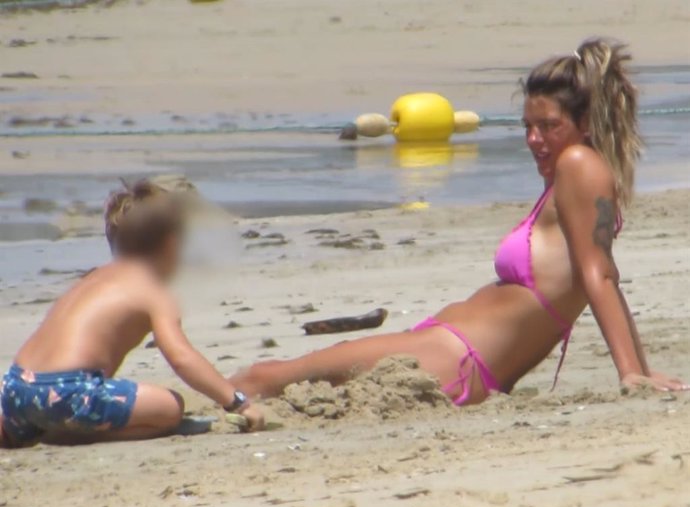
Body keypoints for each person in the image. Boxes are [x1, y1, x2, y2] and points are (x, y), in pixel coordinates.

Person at [229, 38, 688, 404]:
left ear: (584, 122)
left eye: (549, 125)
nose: (534, 139)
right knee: (273, 382)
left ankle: (178, 408)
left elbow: (600, 275)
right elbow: (602, 273)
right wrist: (640, 368)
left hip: (458, 358)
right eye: (527, 126)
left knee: (264, 377)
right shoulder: (574, 175)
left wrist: (631, 372)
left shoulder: (579, 165)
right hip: (444, 349)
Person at [0, 181, 263, 448]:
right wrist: (236, 402)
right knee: (170, 407)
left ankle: (20, 430)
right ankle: (69, 435)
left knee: (47, 409)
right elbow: (181, 357)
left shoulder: (91, 278)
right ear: (172, 244)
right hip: (66, 391)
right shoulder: (154, 292)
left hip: (15, 388)